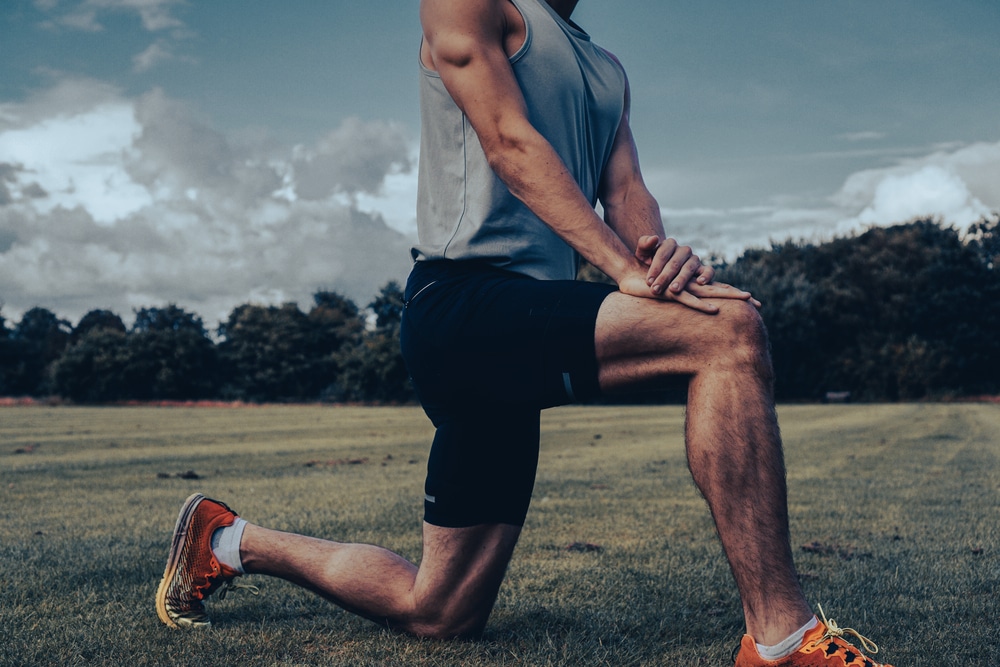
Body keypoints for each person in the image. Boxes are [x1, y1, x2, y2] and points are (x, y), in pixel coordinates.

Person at [156, 1, 895, 664]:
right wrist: (618, 270)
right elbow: (509, 143)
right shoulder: (470, 5)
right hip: (462, 308)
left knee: (440, 613)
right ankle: (782, 640)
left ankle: (225, 538)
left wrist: (654, 261)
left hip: (521, 323)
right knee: (730, 330)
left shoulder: (606, 69)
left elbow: (627, 189)